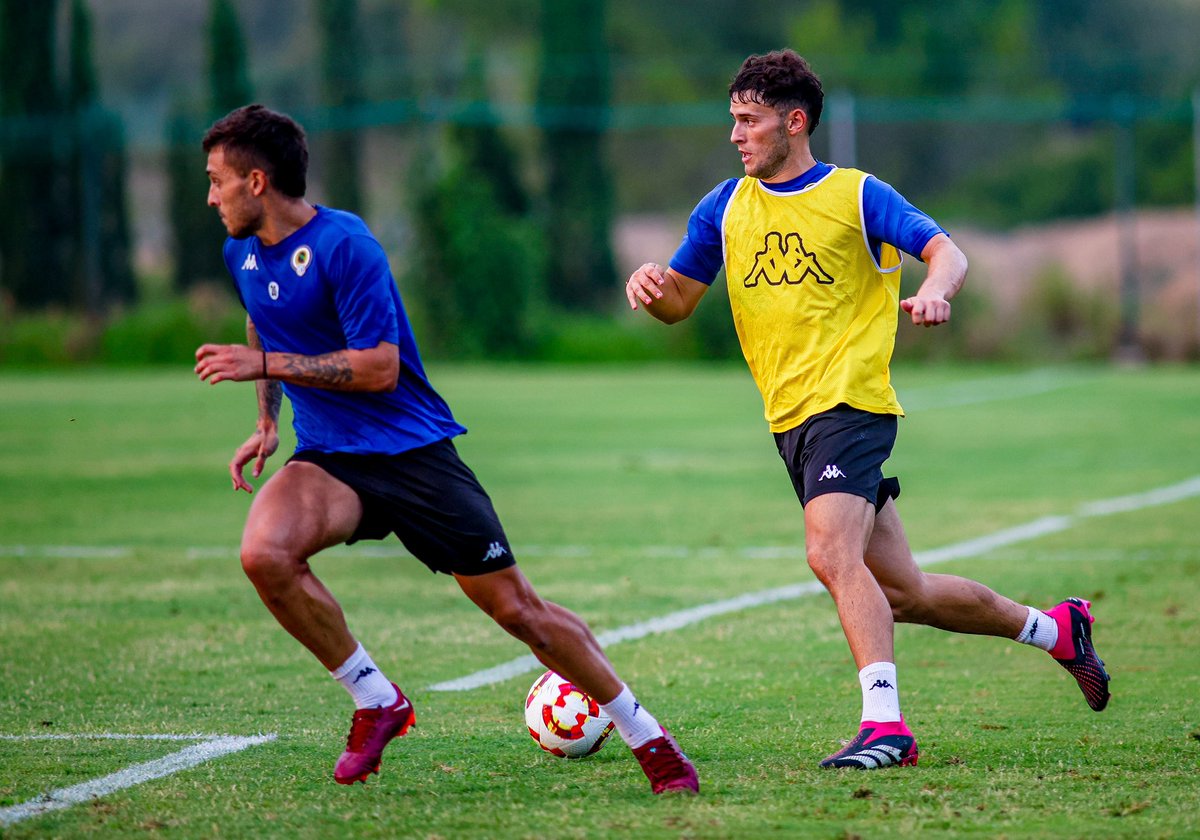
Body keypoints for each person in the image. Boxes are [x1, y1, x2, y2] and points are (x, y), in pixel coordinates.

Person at [625, 50, 1110, 769]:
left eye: (749, 120)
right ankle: (1055, 630)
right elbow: (679, 304)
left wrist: (937, 288)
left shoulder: (857, 195)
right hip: (790, 419)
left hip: (850, 403)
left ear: (795, 122)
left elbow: (948, 252)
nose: (736, 135)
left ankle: (886, 725)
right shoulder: (723, 206)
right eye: (733, 120)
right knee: (905, 593)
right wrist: (649, 286)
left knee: (829, 553)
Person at [193, 104, 698, 794]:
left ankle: (651, 740)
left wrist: (267, 366)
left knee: (520, 612)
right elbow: (263, 316)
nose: (210, 195)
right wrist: (267, 422)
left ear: (257, 181)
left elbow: (379, 368)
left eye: (218, 180)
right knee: (265, 554)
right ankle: (377, 700)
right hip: (331, 457)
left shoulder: (347, 246)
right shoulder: (239, 250)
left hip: (412, 452)